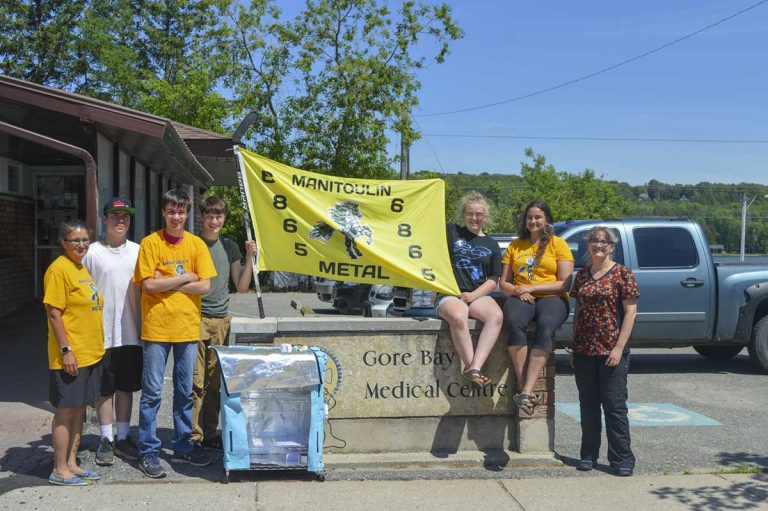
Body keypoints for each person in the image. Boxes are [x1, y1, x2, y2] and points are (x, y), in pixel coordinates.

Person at [133, 189, 216, 478]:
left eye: (181, 212)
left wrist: (166, 281)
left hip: (186, 328)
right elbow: (148, 286)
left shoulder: (196, 245)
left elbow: (205, 286)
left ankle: (183, 445)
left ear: (186, 214)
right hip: (156, 329)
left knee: (184, 392)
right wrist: (183, 278)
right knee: (152, 393)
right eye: (171, 211)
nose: (176, 216)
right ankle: (149, 450)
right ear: (163, 213)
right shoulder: (150, 243)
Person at [570, 226, 639, 477]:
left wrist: (619, 348)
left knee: (614, 406)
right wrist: (574, 343)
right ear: (588, 245)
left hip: (612, 352)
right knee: (588, 405)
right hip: (584, 350)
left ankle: (622, 459)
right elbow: (578, 312)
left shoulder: (623, 274)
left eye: (604, 241)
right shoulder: (582, 276)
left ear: (611, 246)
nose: (598, 245)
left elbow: (630, 313)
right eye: (594, 241)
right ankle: (588, 455)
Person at [191, 196, 257, 450]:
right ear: (202, 217)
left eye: (218, 216)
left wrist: (249, 258)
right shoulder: (193, 244)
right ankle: (194, 435)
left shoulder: (229, 246)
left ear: (224, 219)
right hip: (196, 318)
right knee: (196, 382)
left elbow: (241, 286)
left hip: (221, 320)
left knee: (215, 381)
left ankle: (209, 432)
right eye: (209, 216)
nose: (214, 220)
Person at [43, 219, 105, 486]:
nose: (81, 245)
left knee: (79, 410)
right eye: (75, 240)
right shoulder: (58, 270)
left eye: (84, 240)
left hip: (90, 353)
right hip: (71, 356)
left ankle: (71, 463)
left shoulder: (79, 267)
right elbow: (54, 313)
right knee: (66, 411)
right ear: (63, 242)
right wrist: (66, 350)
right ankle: (59, 469)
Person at [500, 199, 574, 415]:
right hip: (521, 295)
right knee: (514, 322)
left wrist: (531, 289)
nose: (533, 221)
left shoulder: (558, 244)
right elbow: (504, 283)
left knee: (545, 326)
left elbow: (564, 283)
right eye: (529, 217)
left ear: (547, 220)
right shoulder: (515, 246)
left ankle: (526, 389)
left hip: (552, 296)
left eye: (538, 217)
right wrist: (518, 291)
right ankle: (526, 389)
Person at [83, 197, 142, 466]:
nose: (121, 220)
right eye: (115, 215)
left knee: (126, 387)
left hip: (132, 331)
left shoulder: (139, 251)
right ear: (105, 219)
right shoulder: (92, 253)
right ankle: (105, 438)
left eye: (126, 216)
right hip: (101, 333)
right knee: (104, 389)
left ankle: (123, 437)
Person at [437, 191, 503, 386]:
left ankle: (475, 366)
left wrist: (473, 295)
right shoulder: (451, 232)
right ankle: (470, 367)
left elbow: (493, 279)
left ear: (485, 216)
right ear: (463, 214)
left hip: (477, 294)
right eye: (469, 213)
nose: (474, 218)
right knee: (459, 316)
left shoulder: (491, 244)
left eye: (478, 214)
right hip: (450, 294)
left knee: (496, 316)